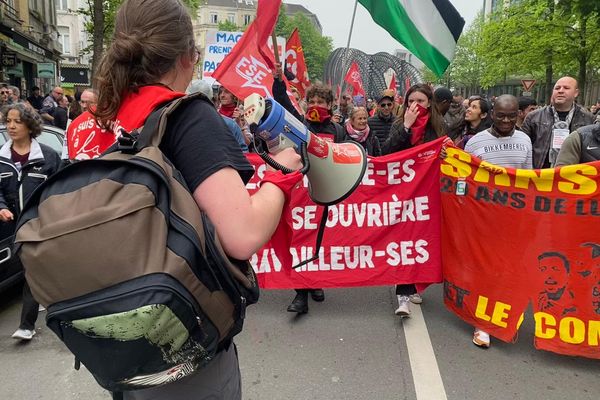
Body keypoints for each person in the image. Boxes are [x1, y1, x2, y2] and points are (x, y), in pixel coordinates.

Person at [91, 1, 301, 398]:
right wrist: (281, 175)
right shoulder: (187, 116)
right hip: (181, 343)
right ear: (188, 56)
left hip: (122, 334)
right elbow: (242, 233)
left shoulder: (109, 118)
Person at [272, 66, 343, 314]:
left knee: (320, 242)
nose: (315, 104)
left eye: (320, 101)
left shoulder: (338, 131)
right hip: (301, 197)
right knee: (299, 242)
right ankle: (300, 294)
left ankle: (316, 282)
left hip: (324, 196)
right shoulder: (300, 124)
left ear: (330, 104)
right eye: (311, 100)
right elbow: (281, 104)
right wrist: (278, 81)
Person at [463, 95, 532, 348]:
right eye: (501, 115)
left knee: (508, 270)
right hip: (484, 218)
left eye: (511, 116)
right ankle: (482, 322)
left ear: (518, 115)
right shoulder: (475, 142)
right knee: (485, 268)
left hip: (513, 219)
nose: (506, 121)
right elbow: (464, 178)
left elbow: (528, 180)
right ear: (491, 115)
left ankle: (503, 316)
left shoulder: (525, 140)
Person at [381, 83, 446, 316]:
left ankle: (416, 284)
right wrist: (406, 127)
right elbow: (386, 152)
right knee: (404, 241)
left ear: (429, 103)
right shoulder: (400, 124)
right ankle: (403, 297)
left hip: (427, 195)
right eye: (410, 101)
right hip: (403, 193)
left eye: (420, 101)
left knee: (422, 241)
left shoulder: (438, 127)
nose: (414, 105)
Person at [0, 103, 61, 341]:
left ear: (30, 126)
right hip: (10, 228)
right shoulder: (2, 159)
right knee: (34, 272)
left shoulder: (48, 157)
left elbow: (57, 190)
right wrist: (2, 207)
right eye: (9, 121)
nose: (12, 126)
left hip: (39, 225)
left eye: (18, 122)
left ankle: (26, 324)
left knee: (32, 271)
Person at [521, 76, 594, 169]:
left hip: (573, 175)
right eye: (557, 88)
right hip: (541, 174)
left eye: (566, 88)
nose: (560, 91)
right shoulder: (534, 117)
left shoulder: (588, 119)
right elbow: (523, 146)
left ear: (576, 93)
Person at [187, 79, 248, 152]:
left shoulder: (243, 115)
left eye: (226, 92)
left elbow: (246, 146)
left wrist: (239, 124)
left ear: (234, 96)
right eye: (220, 92)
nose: (222, 95)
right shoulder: (217, 115)